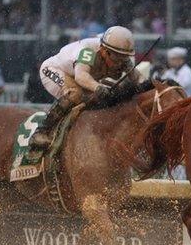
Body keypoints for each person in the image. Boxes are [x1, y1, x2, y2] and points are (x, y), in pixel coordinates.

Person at [27, 26, 141, 162]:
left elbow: (138, 80)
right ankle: (42, 131)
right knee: (75, 94)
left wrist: (140, 79)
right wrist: (98, 87)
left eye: (125, 58)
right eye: (117, 58)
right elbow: (81, 77)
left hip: (79, 76)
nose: (121, 62)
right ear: (104, 51)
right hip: (54, 70)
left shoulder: (121, 58)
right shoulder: (88, 50)